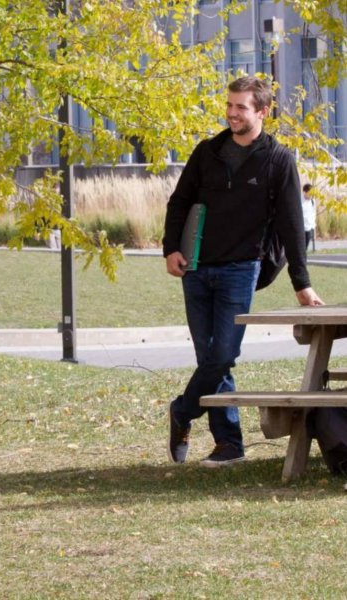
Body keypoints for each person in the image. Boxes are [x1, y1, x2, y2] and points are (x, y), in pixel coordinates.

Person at [163, 76, 324, 468]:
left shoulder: (278, 160)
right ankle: (229, 444)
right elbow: (179, 202)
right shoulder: (208, 152)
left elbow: (290, 226)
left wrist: (301, 284)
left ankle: (183, 410)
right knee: (210, 357)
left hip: (241, 268)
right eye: (230, 105)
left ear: (262, 112)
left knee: (223, 354)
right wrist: (170, 249)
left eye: (241, 107)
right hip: (197, 267)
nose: (232, 113)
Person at [302, 183, 316, 251]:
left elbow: (313, 214)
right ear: (304, 192)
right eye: (309, 193)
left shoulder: (313, 201)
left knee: (305, 248)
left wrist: (313, 228)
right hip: (300, 228)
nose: (311, 195)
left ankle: (303, 260)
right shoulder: (299, 201)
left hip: (309, 228)